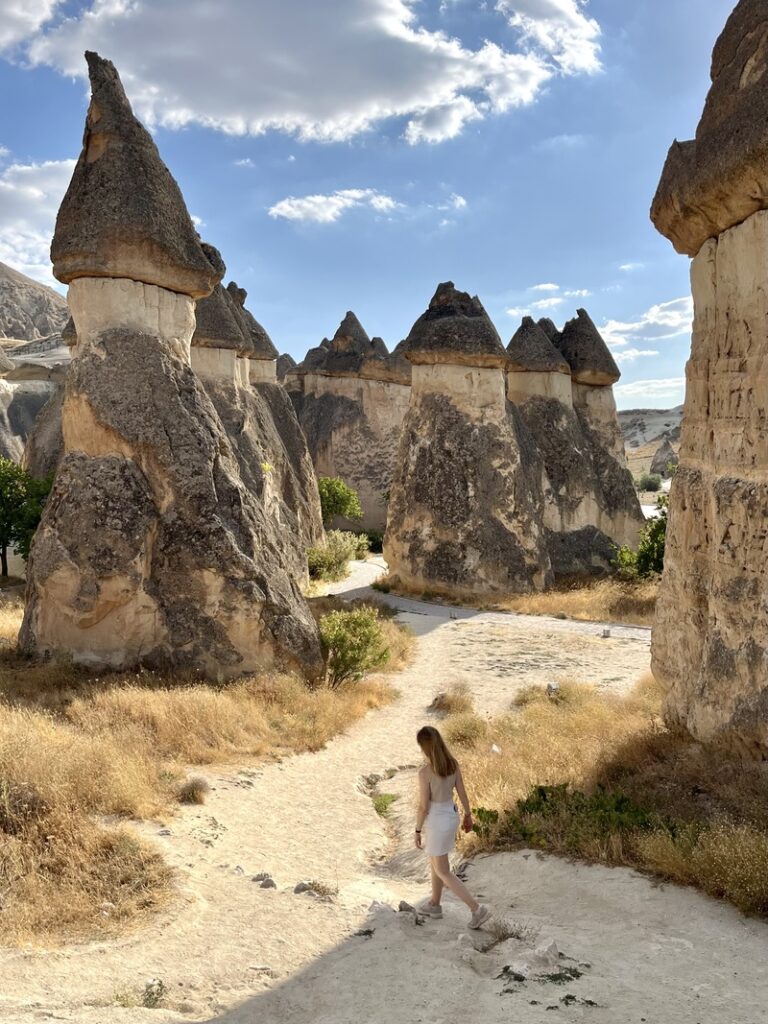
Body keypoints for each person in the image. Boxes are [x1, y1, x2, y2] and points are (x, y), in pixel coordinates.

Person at [414, 725, 491, 929]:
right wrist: (468, 815)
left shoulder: (425, 773)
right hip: (452, 814)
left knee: (443, 870)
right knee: (435, 861)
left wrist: (417, 830)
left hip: (437, 820)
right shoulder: (453, 765)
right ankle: (435, 904)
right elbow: (463, 793)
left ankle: (476, 909)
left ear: (423, 747)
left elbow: (423, 806)